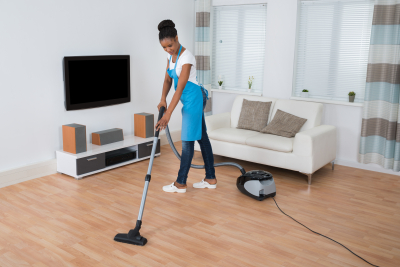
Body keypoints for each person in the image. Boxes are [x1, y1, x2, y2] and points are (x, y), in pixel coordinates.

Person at [155, 19, 216, 193]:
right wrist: (162, 99)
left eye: (170, 45)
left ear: (176, 37)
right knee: (202, 138)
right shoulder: (170, 56)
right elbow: (168, 79)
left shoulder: (187, 58)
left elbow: (180, 87)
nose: (168, 49)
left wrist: (168, 115)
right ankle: (210, 178)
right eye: (164, 47)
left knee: (187, 141)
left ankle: (181, 182)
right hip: (186, 99)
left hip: (194, 98)